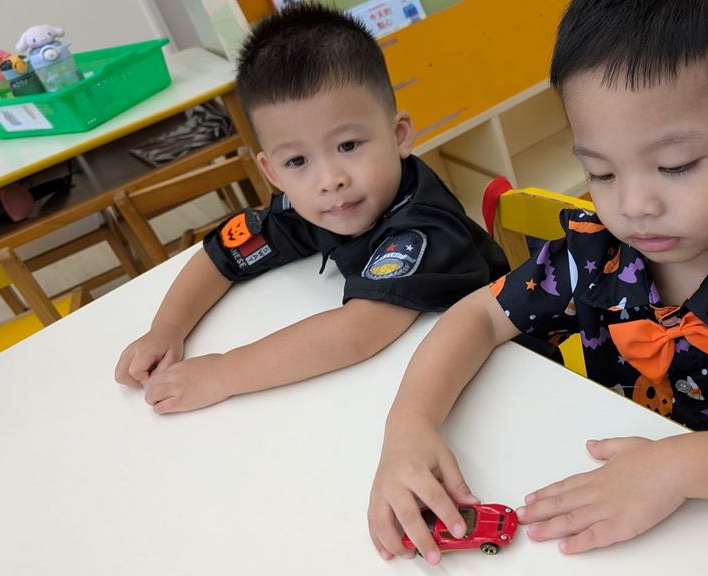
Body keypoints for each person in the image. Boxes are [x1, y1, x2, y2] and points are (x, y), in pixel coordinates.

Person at [368, 0, 708, 565]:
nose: (633, 206)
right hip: (639, 530)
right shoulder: (596, 252)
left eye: (676, 165)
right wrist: (410, 426)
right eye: (601, 172)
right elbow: (480, 316)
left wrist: (675, 467)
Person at [114, 4, 509, 414]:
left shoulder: (424, 225)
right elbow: (221, 255)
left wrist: (221, 374)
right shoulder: (318, 205)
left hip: (505, 374)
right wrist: (167, 328)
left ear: (399, 135)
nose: (329, 179)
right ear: (272, 172)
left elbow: (358, 332)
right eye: (297, 161)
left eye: (348, 145)